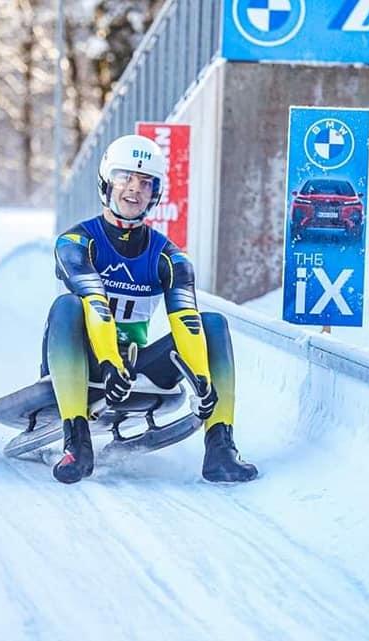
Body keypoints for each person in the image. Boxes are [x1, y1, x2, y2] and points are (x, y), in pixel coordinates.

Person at [43, 134, 258, 485]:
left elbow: (186, 319)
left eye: (146, 182)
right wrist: (110, 362)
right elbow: (94, 301)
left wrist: (201, 380)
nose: (134, 189)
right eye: (125, 177)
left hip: (130, 365)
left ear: (155, 193)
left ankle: (221, 446)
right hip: (81, 358)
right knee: (68, 306)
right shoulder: (75, 243)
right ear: (106, 183)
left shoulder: (170, 257)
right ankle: (76, 442)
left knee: (213, 323)